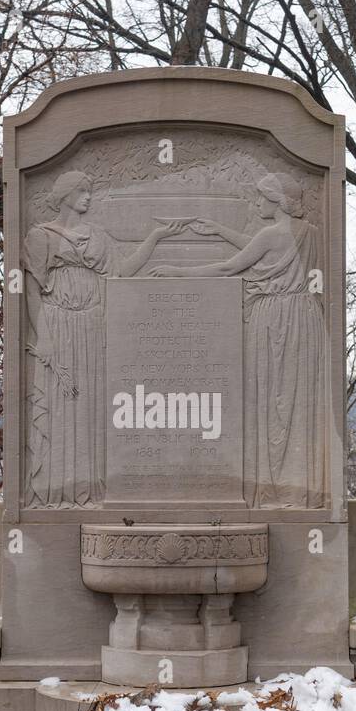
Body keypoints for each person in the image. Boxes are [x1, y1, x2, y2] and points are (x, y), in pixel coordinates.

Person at [149, 172, 326, 508]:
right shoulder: (309, 232)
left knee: (272, 403)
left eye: (262, 198)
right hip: (305, 319)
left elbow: (229, 269)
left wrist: (178, 272)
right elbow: (263, 249)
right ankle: (297, 490)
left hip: (275, 319)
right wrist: (219, 231)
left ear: (276, 201)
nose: (258, 203)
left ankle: (273, 489)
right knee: (294, 401)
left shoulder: (271, 235)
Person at [22, 170, 186, 507]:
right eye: (83, 190)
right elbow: (32, 289)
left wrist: (155, 238)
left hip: (91, 326)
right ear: (66, 194)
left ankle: (87, 490)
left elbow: (123, 271)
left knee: (89, 406)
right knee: (60, 406)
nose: (89, 197)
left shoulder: (97, 236)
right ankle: (57, 490)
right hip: (60, 324)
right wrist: (45, 338)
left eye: (90, 190)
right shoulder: (42, 236)